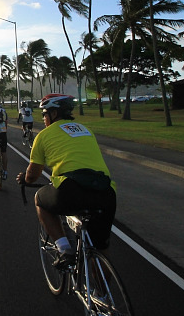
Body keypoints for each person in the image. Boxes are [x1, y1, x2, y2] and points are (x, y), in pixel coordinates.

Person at [16, 94, 116, 268]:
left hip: (71, 189)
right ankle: (102, 293)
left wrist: (24, 179)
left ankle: (64, 250)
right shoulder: (86, 130)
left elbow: (32, 175)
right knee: (100, 248)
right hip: (106, 192)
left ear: (53, 114)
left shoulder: (44, 135)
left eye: (44, 115)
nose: (44, 119)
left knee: (40, 199)